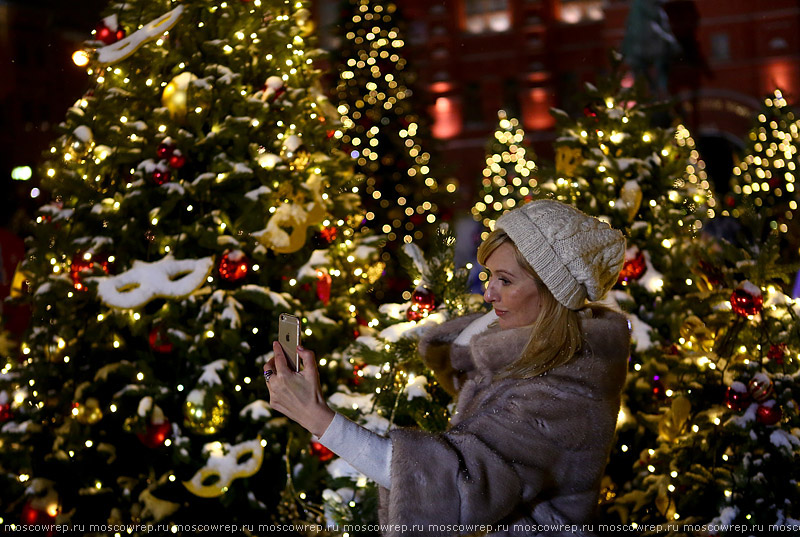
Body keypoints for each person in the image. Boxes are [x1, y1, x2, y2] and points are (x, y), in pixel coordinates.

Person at [263, 199, 631, 536]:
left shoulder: (560, 393)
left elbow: (454, 484)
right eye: (489, 277)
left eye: (505, 280)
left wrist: (315, 417)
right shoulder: (537, 352)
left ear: (551, 292)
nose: (488, 294)